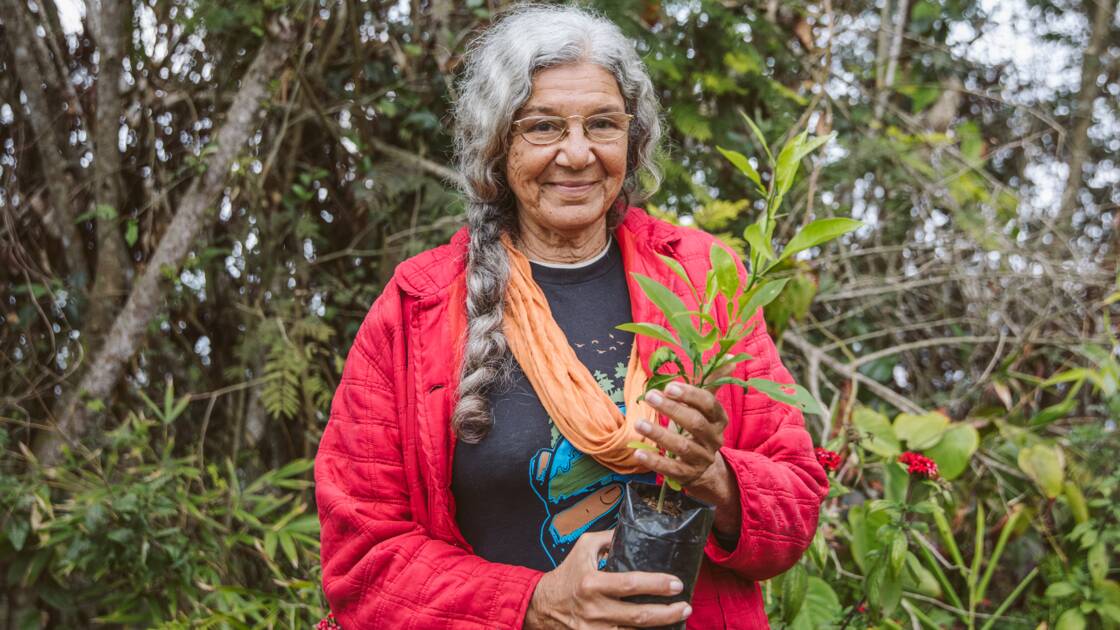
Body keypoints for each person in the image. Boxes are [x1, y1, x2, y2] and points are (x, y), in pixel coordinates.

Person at [315, 5, 828, 628]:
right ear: (497, 144)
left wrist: (717, 477)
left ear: (632, 141)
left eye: (604, 124)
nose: (578, 154)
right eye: (543, 127)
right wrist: (532, 605)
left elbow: (796, 505)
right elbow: (362, 557)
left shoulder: (704, 278)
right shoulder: (419, 305)